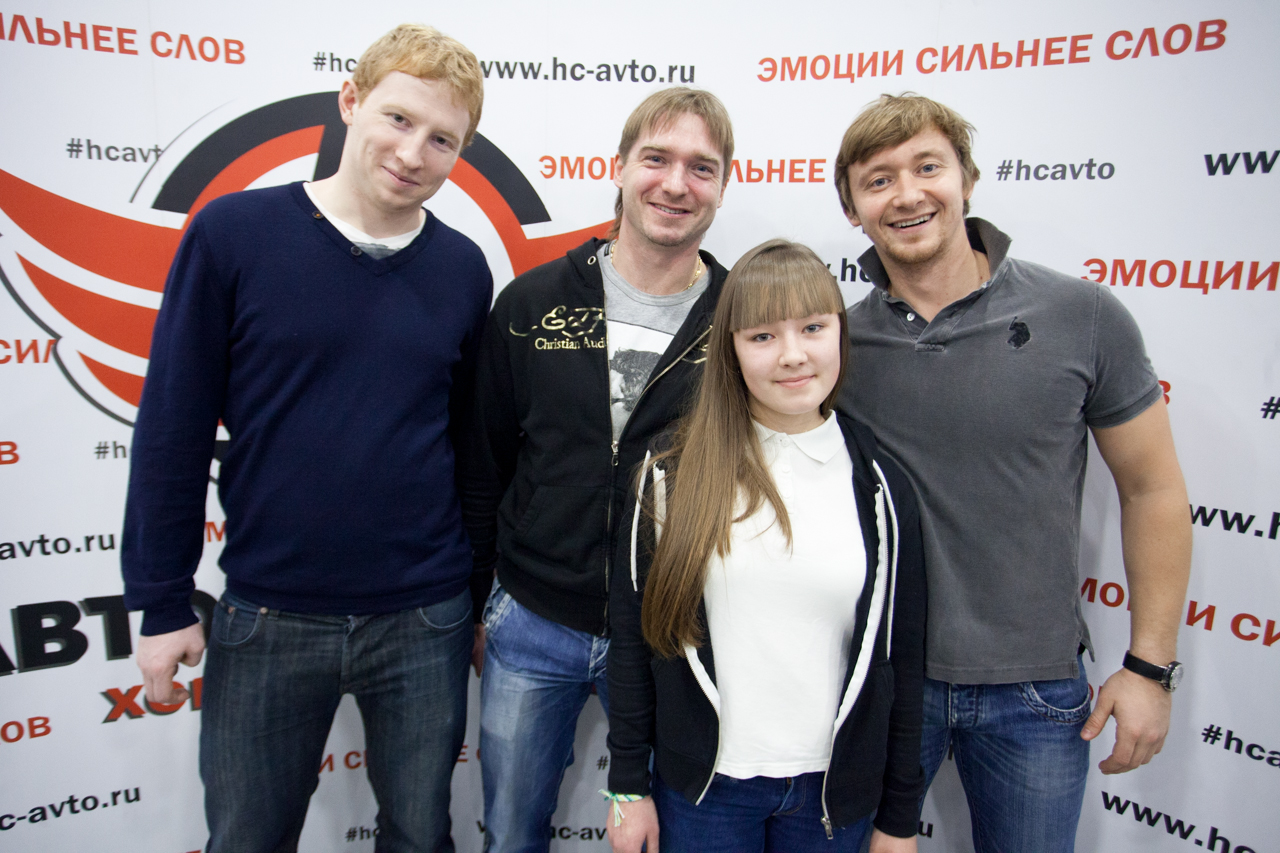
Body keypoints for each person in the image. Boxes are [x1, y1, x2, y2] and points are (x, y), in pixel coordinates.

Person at [121, 24, 491, 853]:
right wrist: (162, 599)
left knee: (420, 835)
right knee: (247, 838)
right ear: (351, 101)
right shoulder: (233, 234)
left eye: (442, 139)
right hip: (269, 612)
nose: (413, 153)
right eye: (398, 118)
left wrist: (478, 594)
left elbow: (471, 450)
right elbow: (174, 426)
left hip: (425, 615)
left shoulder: (464, 268)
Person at [834, 93, 1192, 852]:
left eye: (928, 167)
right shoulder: (831, 345)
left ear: (966, 179)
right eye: (878, 180)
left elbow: (1153, 490)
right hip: (882, 684)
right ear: (852, 208)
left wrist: (1150, 667)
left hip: (1037, 694)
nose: (907, 194)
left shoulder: (1083, 314)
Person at [462, 87, 734, 853]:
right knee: (510, 835)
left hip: (672, 636)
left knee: (671, 838)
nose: (676, 184)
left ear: (725, 183)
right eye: (656, 158)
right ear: (618, 167)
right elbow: (484, 465)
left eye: (701, 167)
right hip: (532, 621)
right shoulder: (532, 303)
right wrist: (480, 604)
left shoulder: (741, 322)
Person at [604, 239, 927, 853]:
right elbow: (633, 642)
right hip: (705, 795)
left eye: (813, 328)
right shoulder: (669, 475)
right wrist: (625, 787)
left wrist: (899, 817)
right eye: (762, 336)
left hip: (831, 795)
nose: (793, 355)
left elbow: (901, 663)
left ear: (841, 332)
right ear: (730, 349)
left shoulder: (882, 487)